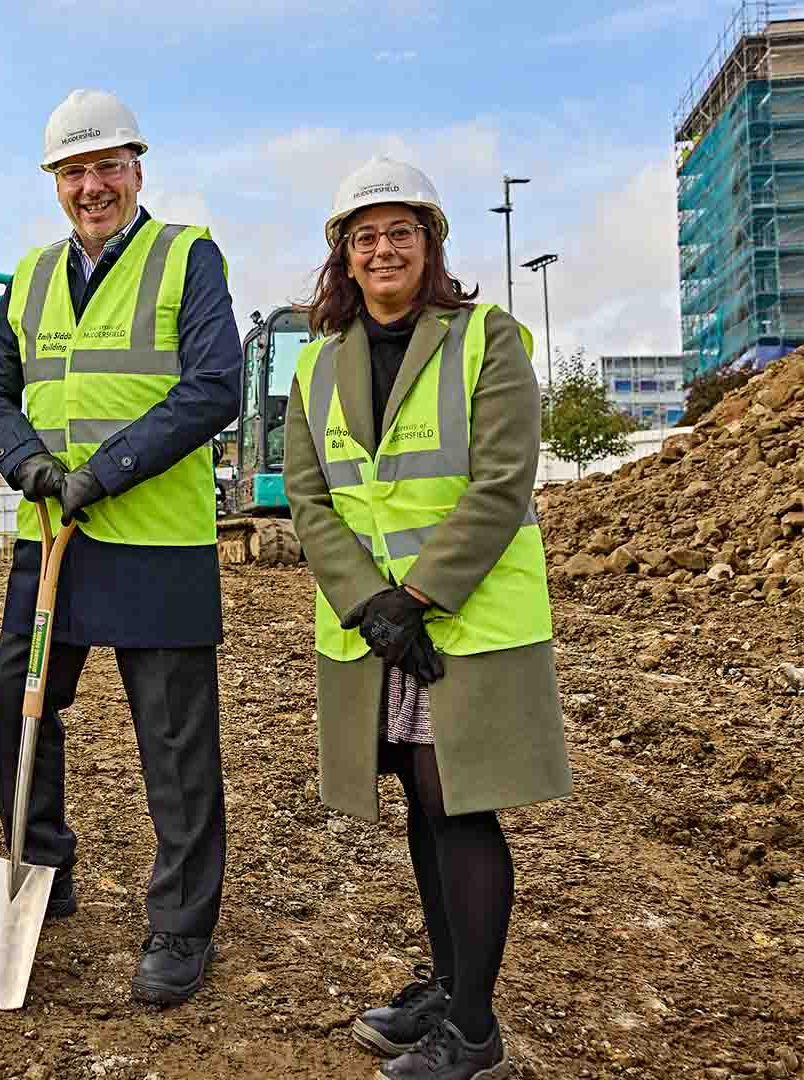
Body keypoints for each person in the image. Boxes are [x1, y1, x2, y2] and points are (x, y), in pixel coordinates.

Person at [284, 155, 571, 1080]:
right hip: (375, 629)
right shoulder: (318, 364)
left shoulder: (488, 337)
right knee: (420, 799)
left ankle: (476, 1033)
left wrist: (415, 597)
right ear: (343, 256)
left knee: (462, 806)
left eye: (400, 232)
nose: (383, 249)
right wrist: (369, 601)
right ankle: (449, 987)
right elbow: (308, 496)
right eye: (364, 236)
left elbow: (501, 481)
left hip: (468, 619)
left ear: (431, 243)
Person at [0, 89, 241, 1008]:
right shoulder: (34, 276)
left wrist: (107, 471)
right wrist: (30, 464)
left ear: (136, 171)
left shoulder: (186, 257)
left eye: (106, 168)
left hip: (155, 545)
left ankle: (181, 923)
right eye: (74, 173)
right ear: (55, 183)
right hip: (57, 540)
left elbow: (213, 387)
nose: (91, 187)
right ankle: (41, 863)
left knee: (174, 740)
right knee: (20, 694)